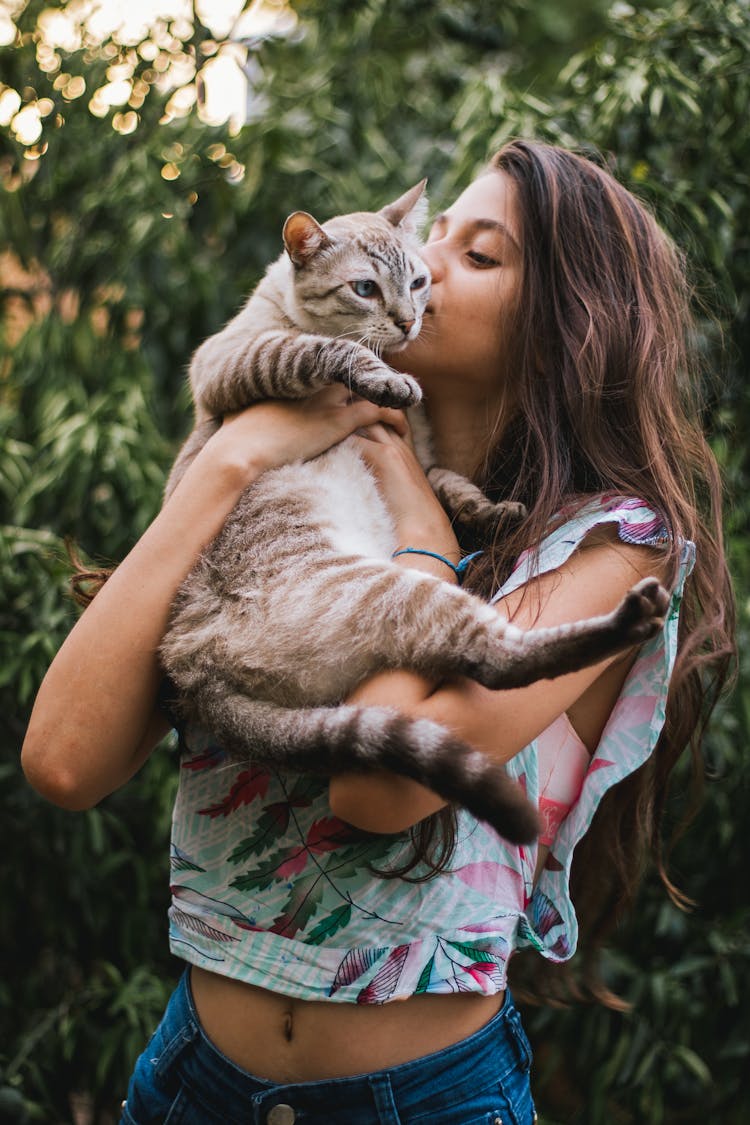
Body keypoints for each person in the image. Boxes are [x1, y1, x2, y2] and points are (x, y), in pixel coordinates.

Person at [21, 139, 734, 1125]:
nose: (426, 263)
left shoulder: (613, 550)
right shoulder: (281, 478)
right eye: (431, 235)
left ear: (565, 322)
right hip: (191, 1081)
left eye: (478, 256)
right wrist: (229, 463)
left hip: (425, 1103)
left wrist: (419, 517)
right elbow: (63, 762)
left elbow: (379, 788)